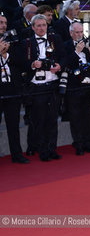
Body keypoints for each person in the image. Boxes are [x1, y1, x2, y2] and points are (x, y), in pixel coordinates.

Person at [20, 14, 66, 162]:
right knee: (39, 120)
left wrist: (60, 66)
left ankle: (52, 149)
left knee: (53, 119)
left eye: (44, 25)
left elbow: (64, 57)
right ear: (32, 27)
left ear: (47, 26)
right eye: (38, 25)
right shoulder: (26, 43)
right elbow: (21, 63)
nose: (41, 28)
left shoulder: (56, 39)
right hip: (36, 86)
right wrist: (33, 64)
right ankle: (42, 150)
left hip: (53, 84)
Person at [63, 22, 90, 156]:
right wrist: (76, 52)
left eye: (81, 32)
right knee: (76, 117)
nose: (79, 35)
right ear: (71, 33)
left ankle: (87, 142)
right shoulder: (66, 46)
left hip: (88, 87)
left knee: (88, 116)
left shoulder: (86, 45)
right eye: (77, 32)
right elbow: (66, 63)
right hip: (74, 88)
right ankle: (78, 143)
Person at [0, 14, 29, 163]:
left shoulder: (14, 42)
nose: (3, 25)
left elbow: (23, 62)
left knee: (13, 126)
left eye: (5, 23)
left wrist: (7, 54)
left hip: (13, 90)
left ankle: (17, 154)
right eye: (0, 23)